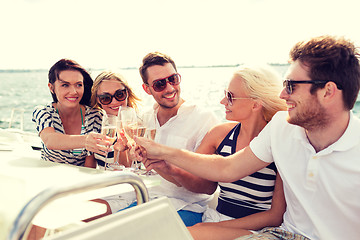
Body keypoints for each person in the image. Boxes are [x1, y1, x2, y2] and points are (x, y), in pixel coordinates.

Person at [135, 35, 360, 240]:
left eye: (291, 86)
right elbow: (227, 168)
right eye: (284, 85)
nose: (282, 95)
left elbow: (273, 213)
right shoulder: (281, 126)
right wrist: (162, 153)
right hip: (284, 235)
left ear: (328, 92)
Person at [185, 65, 287, 240]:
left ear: (256, 103)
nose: (222, 102)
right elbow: (193, 177)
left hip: (258, 231)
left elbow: (275, 216)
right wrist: (163, 164)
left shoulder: (279, 144)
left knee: (191, 234)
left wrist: (212, 228)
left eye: (230, 96)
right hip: (215, 220)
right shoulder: (220, 135)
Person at [135, 51, 219, 226]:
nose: (170, 88)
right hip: (145, 201)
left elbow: (207, 186)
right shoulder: (145, 118)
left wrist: (170, 168)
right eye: (159, 84)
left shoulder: (204, 119)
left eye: (173, 79)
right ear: (146, 89)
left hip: (187, 208)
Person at [32, 58, 107, 167]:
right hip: (48, 176)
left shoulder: (95, 116)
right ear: (51, 88)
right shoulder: (43, 112)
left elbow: (90, 165)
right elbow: (50, 140)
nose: (73, 92)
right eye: (65, 85)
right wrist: (86, 140)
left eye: (78, 85)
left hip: (80, 180)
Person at [90, 71, 141, 169]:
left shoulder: (136, 126)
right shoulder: (95, 123)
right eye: (105, 98)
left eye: (119, 94)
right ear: (97, 99)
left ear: (127, 93)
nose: (114, 102)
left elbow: (129, 170)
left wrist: (122, 150)